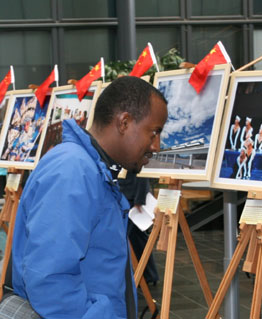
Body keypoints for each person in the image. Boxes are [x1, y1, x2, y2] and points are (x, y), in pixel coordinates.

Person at [11, 76, 168, 319]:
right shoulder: (73, 171)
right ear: (124, 122)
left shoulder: (92, 168)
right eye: (154, 132)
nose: (156, 145)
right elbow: (50, 279)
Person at [118, 172, 159, 286]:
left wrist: (139, 200)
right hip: (128, 198)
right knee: (138, 240)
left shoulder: (133, 156)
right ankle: (149, 275)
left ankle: (148, 275)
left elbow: (142, 175)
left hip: (133, 201)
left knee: (131, 240)